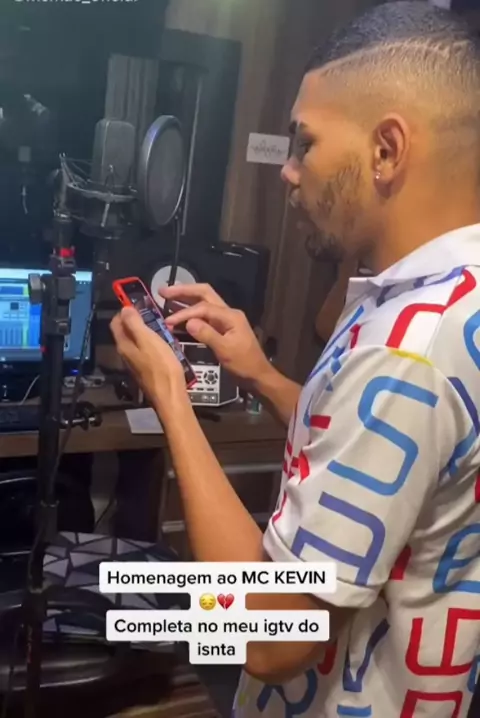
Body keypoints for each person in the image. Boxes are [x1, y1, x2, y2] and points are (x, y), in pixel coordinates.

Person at [111, 2, 480, 716]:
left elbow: (271, 639)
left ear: (387, 150)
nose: (286, 171)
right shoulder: (445, 301)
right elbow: (373, 459)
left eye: (304, 144)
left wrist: (171, 400)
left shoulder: (408, 349)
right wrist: (259, 374)